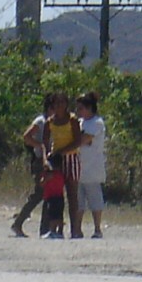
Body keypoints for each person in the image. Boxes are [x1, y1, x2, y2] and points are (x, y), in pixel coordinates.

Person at [12, 93, 55, 237]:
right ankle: (19, 222)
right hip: (39, 160)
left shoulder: (55, 122)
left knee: (47, 194)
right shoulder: (41, 121)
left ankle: (45, 228)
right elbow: (26, 136)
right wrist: (40, 146)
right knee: (40, 194)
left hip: (50, 160)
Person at [43, 92, 83, 239]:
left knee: (72, 196)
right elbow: (45, 142)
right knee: (55, 196)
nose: (60, 106)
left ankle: (75, 230)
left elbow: (78, 141)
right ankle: (56, 229)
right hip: (56, 161)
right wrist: (47, 159)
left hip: (71, 158)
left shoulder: (72, 120)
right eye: (57, 103)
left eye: (62, 102)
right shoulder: (50, 122)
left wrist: (62, 151)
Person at [75, 91, 106, 238]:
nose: (78, 111)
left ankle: (97, 229)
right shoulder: (80, 122)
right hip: (78, 166)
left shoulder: (97, 123)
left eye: (81, 108)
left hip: (92, 167)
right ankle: (77, 229)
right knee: (78, 200)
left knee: (95, 200)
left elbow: (84, 139)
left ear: (89, 108)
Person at [40, 153, 66, 239]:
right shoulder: (61, 174)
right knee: (59, 215)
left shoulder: (49, 175)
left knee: (52, 216)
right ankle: (60, 232)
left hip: (52, 198)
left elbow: (42, 183)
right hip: (60, 197)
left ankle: (52, 231)